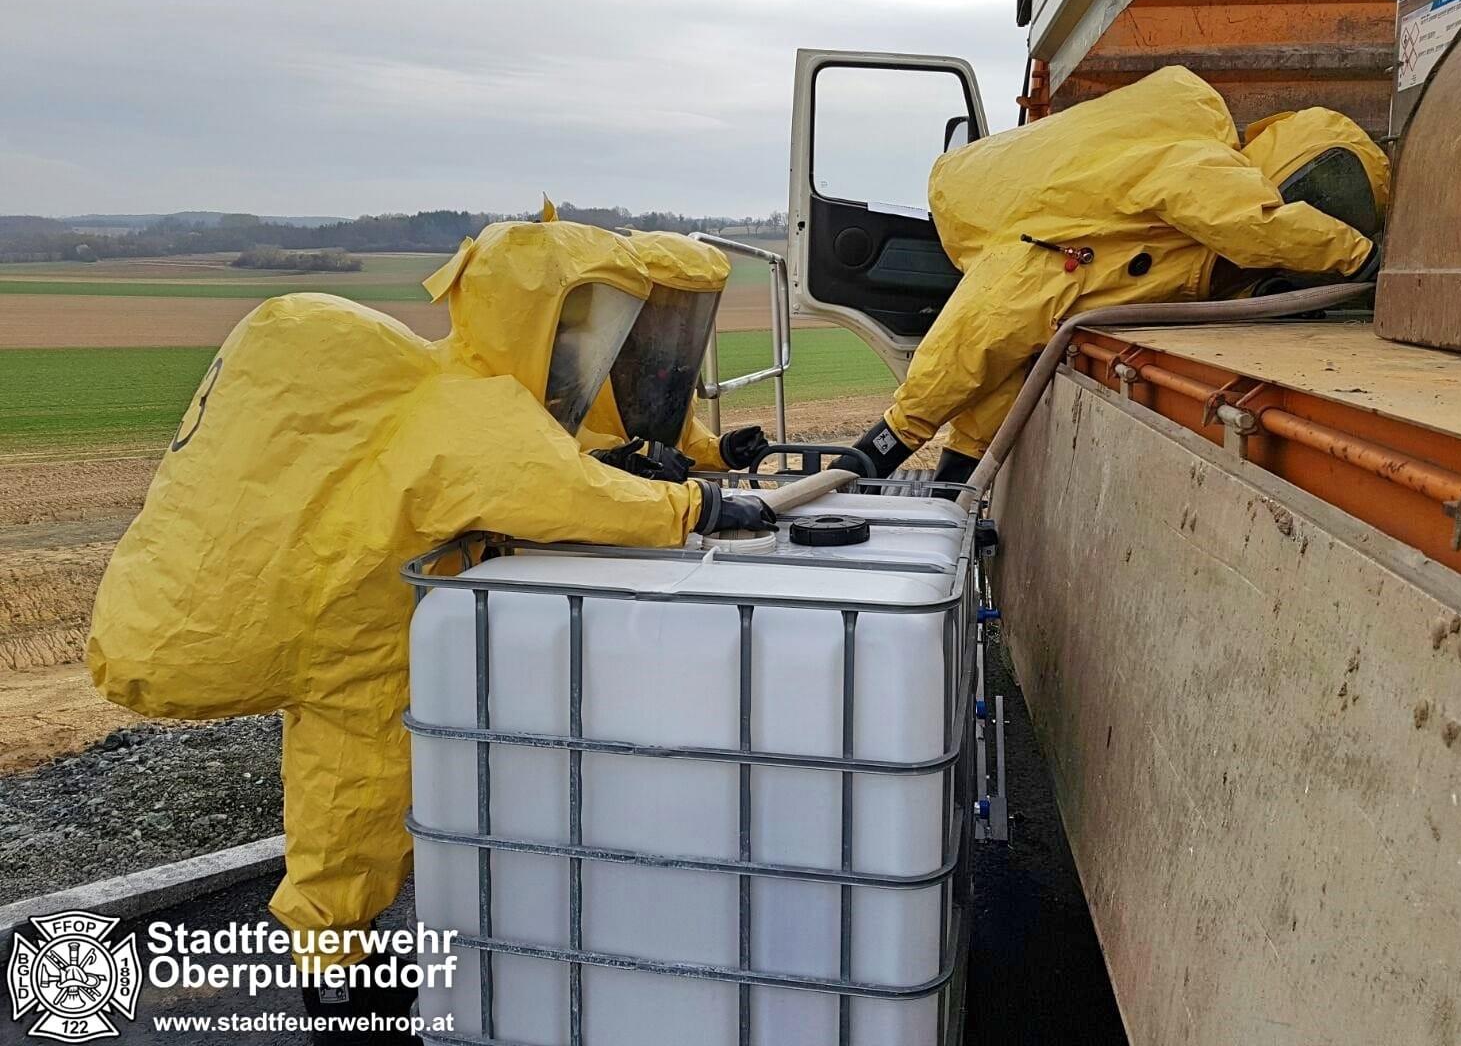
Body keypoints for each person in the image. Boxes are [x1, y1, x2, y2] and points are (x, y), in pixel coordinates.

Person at [87, 219, 773, 1043]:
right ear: (537, 317)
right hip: (362, 632)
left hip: (363, 616)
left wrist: (702, 453)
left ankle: (343, 972)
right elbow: (574, 491)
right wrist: (695, 505)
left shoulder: (468, 392)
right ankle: (341, 983)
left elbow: (589, 439)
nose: (598, 345)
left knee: (350, 803)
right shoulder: (470, 417)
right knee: (357, 802)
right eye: (587, 321)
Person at [836, 66, 1390, 488]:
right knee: (994, 338)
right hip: (1043, 266)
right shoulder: (1201, 164)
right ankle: (881, 472)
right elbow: (1250, 221)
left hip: (1054, 262)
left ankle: (946, 493)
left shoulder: (1184, 204)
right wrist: (1356, 257)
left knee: (1004, 354)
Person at [578, 229, 769, 481]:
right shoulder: (579, 371)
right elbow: (557, 450)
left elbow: (681, 448)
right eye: (664, 313)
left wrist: (722, 451)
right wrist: (616, 459)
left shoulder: (666, 375)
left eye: (682, 315)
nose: (678, 326)